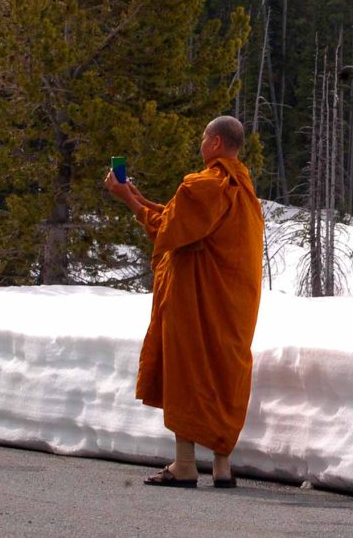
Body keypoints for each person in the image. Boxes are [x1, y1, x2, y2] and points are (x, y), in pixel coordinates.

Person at [104, 115, 264, 489]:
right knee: (225, 372)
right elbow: (185, 222)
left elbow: (168, 229)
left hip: (195, 299)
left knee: (188, 369)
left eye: (204, 137)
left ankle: (185, 464)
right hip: (235, 306)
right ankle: (223, 467)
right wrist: (140, 197)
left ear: (216, 145)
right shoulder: (244, 191)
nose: (201, 142)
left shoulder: (204, 185)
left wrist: (128, 199)